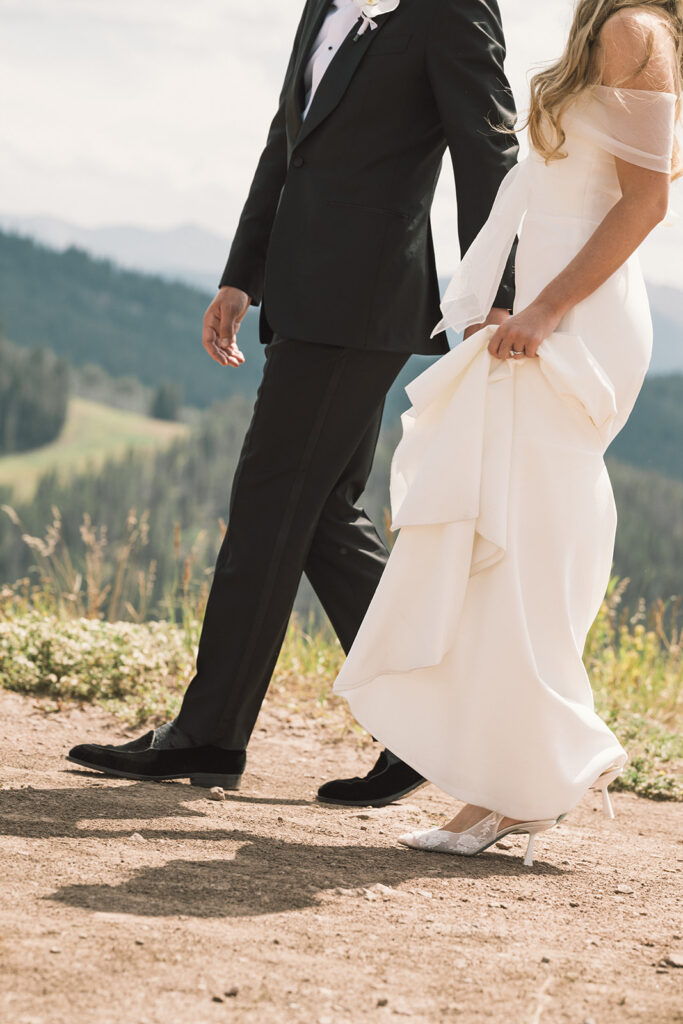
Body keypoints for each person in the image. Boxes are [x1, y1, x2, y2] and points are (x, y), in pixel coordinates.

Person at [67, 0, 519, 805]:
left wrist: (498, 293)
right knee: (319, 520)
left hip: (365, 303)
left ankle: (209, 733)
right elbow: (289, 143)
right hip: (305, 299)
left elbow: (486, 151)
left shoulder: (447, 9)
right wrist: (244, 273)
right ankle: (428, 721)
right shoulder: (324, 3)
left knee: (270, 507)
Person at [333, 0, 682, 865]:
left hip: (581, 316)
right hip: (554, 300)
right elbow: (564, 191)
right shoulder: (610, 29)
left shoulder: (631, 30)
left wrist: (547, 308)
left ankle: (521, 785)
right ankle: (514, 780)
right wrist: (511, 297)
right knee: (514, 532)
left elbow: (644, 203)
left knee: (522, 542)